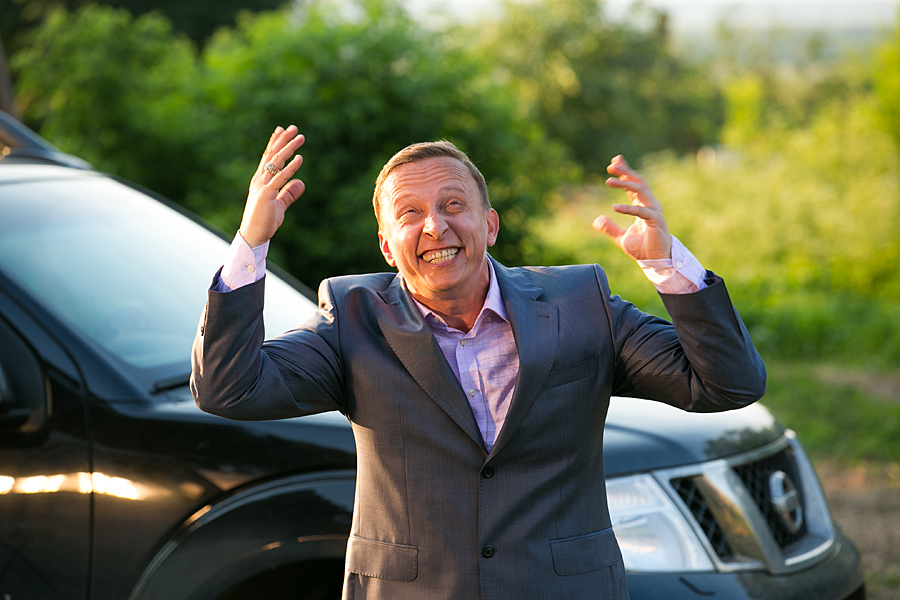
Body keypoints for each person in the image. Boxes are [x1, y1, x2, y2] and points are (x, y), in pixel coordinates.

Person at [191, 125, 766, 600]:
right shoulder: (352, 319)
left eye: (453, 205)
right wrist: (252, 241)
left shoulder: (581, 303)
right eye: (410, 213)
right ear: (388, 246)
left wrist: (666, 263)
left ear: (489, 225)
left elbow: (727, 384)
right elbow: (228, 389)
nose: (435, 226)